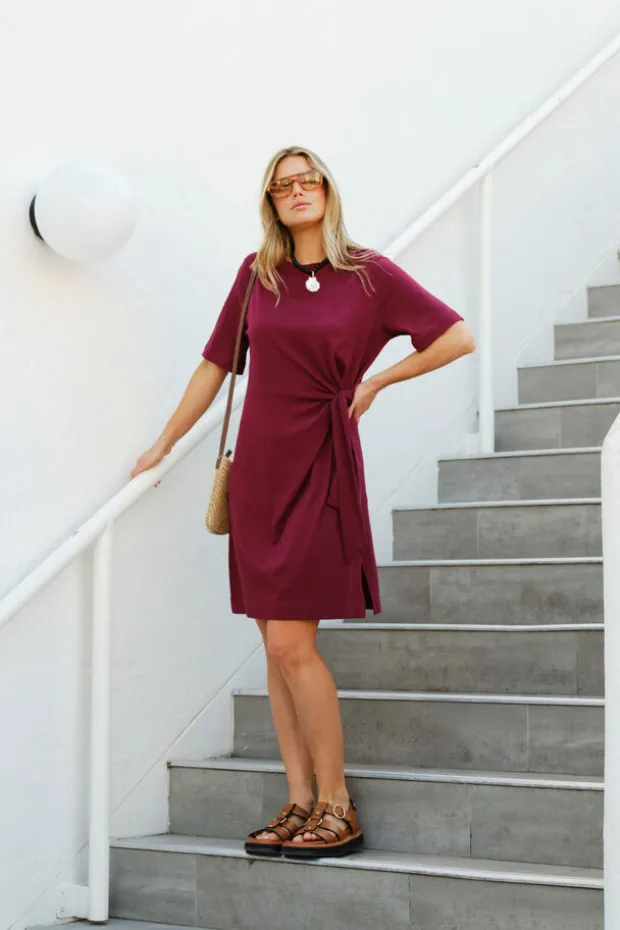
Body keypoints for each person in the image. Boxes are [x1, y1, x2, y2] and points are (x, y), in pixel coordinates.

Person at [130, 145, 476, 859]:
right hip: (260, 472)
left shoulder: (369, 273)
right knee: (273, 645)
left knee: (293, 643)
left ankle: (337, 804)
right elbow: (216, 365)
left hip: (321, 464)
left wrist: (376, 382)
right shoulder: (256, 276)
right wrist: (162, 444)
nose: (296, 191)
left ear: (326, 189)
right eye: (281, 185)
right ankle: (298, 800)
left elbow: (457, 337)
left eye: (306, 180)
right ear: (270, 201)